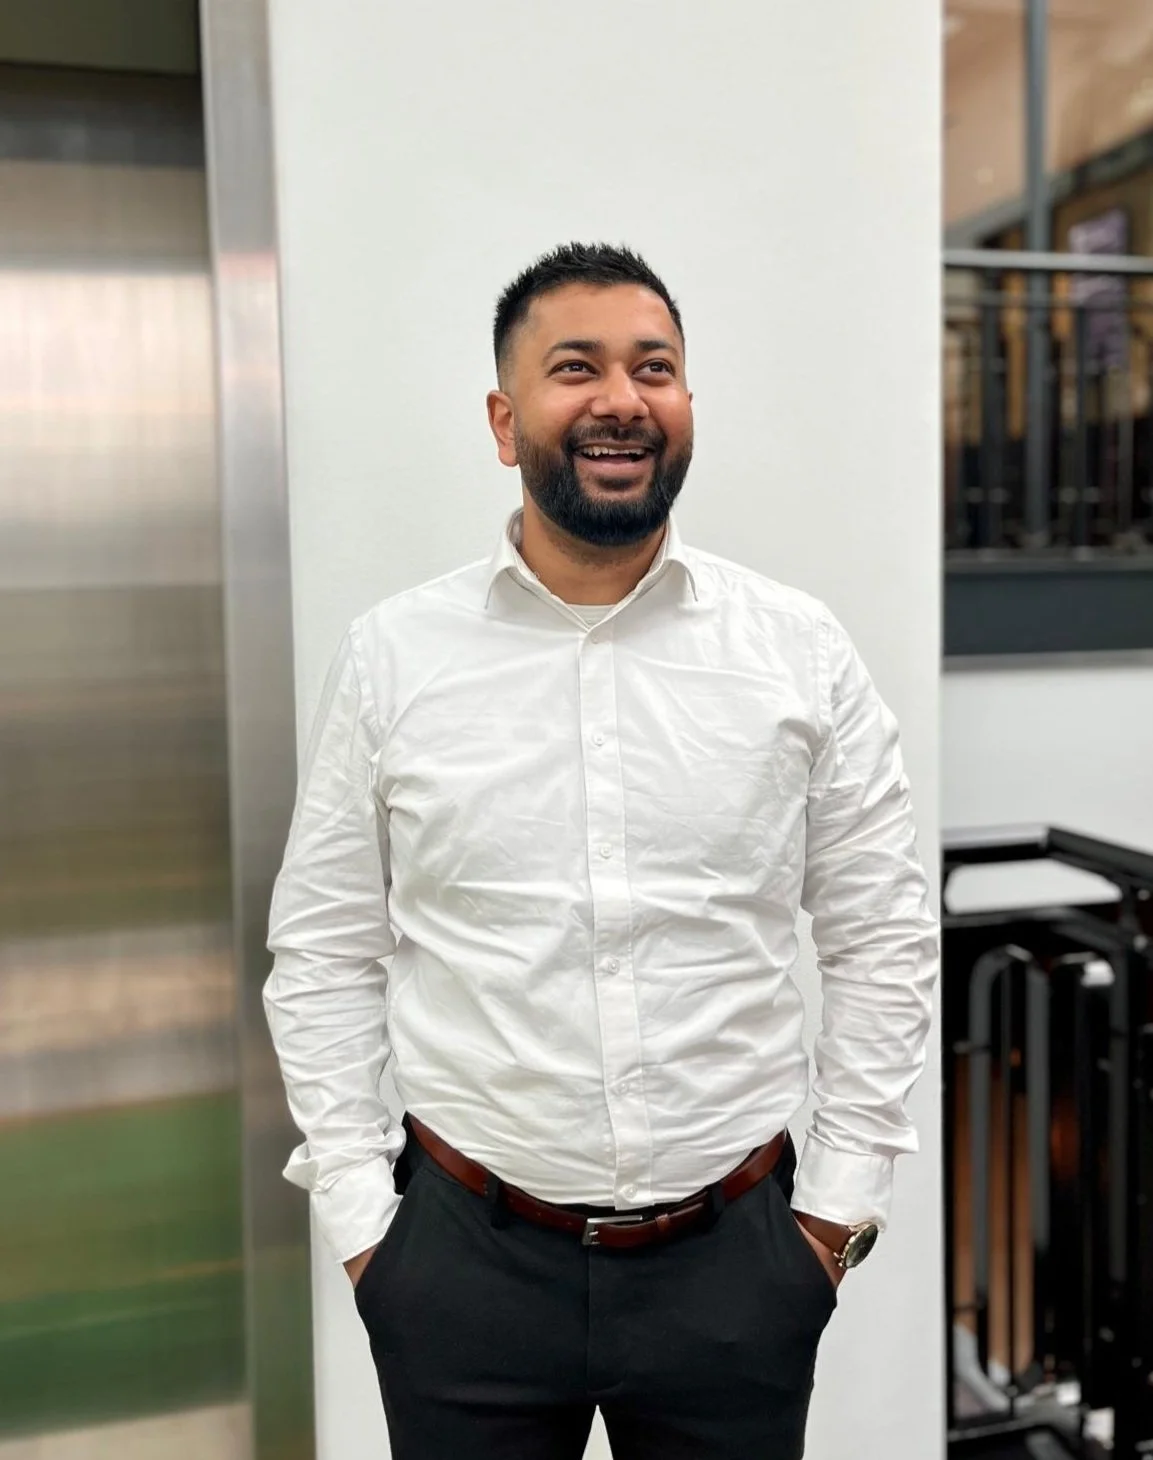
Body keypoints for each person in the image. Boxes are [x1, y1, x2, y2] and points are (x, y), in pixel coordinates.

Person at [264, 241, 938, 1460]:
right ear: (503, 418)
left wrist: (832, 1216)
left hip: (736, 1267)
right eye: (575, 367)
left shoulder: (796, 650)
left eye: (654, 368)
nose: (621, 399)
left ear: (685, 404)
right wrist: (368, 1228)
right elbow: (323, 949)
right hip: (461, 1265)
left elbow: (881, 934)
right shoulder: (394, 657)